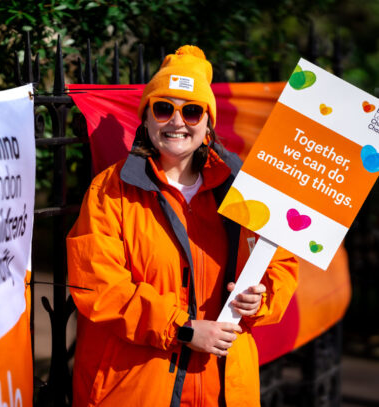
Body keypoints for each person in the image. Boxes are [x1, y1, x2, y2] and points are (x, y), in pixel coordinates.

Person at [66, 45, 298, 407]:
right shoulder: (108, 192)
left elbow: (282, 266)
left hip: (224, 388)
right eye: (163, 108)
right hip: (136, 389)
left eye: (192, 111)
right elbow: (98, 287)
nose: (177, 122)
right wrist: (183, 329)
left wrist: (261, 299)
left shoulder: (244, 192)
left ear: (208, 124)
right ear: (146, 119)